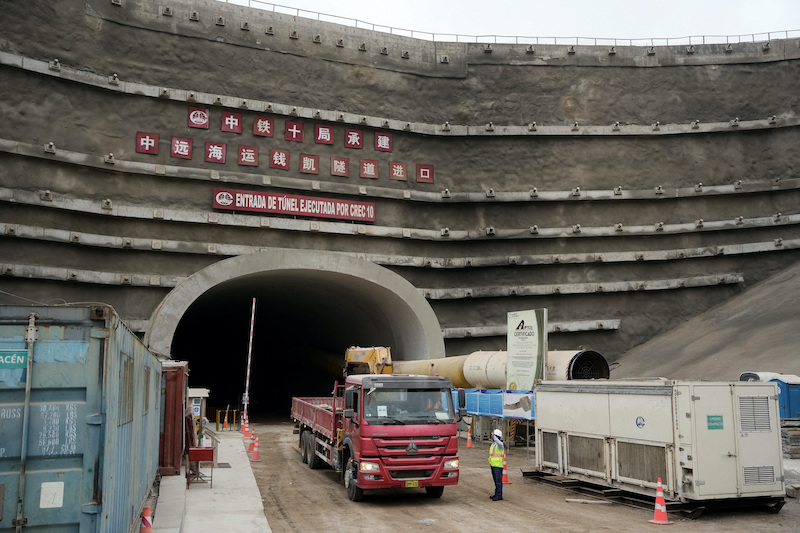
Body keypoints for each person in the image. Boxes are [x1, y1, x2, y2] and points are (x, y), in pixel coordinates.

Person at [488, 428, 505, 501]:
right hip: (493, 465)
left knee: (498, 481)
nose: (491, 435)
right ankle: (497, 494)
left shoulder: (499, 444)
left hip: (498, 466)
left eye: (492, 434)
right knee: (496, 481)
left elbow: (501, 444)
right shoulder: (494, 444)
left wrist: (494, 436)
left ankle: (499, 495)